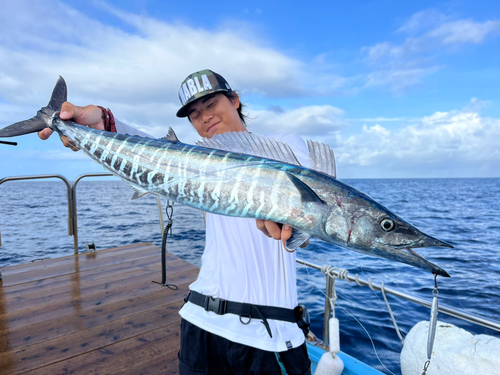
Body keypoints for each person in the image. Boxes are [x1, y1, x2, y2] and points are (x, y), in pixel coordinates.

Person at [39, 69, 312, 375]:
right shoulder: (194, 160)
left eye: (211, 105)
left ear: (235, 100)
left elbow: (305, 198)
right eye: (194, 114)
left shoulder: (285, 144)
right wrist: (103, 120)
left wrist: (292, 217)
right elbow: (153, 150)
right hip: (198, 323)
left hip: (266, 334)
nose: (204, 117)